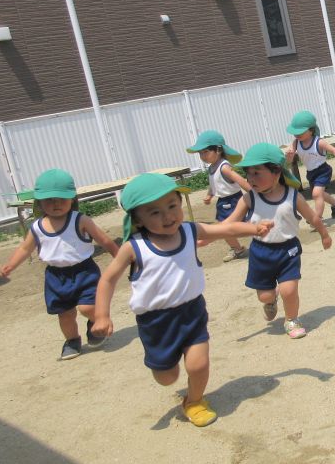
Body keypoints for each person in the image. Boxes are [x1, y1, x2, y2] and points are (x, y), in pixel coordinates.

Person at [91, 173, 273, 427]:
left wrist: (254, 228)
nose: (167, 216)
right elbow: (107, 280)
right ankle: (170, 374)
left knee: (198, 364)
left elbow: (225, 229)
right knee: (167, 377)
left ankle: (194, 401)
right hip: (156, 322)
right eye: (154, 212)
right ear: (137, 219)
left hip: (192, 312)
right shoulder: (134, 247)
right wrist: (101, 315)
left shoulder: (189, 231)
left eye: (172, 206)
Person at [0, 168, 119, 361]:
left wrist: (119, 256)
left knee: (87, 308)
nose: (55, 204)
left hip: (85, 272)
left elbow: (103, 239)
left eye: (61, 199)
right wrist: (11, 265)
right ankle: (72, 341)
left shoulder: (80, 220)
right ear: (39, 203)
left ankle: (97, 322)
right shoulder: (37, 227)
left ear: (72, 199)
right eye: (49, 200)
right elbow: (24, 248)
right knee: (64, 314)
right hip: (56, 277)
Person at [225, 142, 333, 340]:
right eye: (248, 173)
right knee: (265, 296)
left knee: (289, 290)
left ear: (276, 173)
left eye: (258, 172)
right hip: (260, 252)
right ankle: (270, 300)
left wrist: (324, 234)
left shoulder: (293, 196)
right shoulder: (249, 198)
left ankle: (291, 319)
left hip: (288, 250)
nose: (251, 178)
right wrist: (207, 235)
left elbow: (313, 217)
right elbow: (229, 223)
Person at [187, 130, 252, 262]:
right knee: (226, 228)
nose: (202, 156)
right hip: (222, 202)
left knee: (231, 227)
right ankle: (237, 249)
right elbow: (214, 184)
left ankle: (264, 240)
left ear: (218, 150)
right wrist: (209, 195)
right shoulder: (212, 167)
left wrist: (254, 192)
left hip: (234, 200)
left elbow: (239, 180)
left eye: (205, 152)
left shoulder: (224, 167)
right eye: (200, 153)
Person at [284, 110, 335, 223]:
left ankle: (317, 218)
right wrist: (289, 156)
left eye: (300, 132)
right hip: (311, 173)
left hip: (323, 171)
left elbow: (334, 151)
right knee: (319, 194)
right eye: (295, 132)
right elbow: (290, 160)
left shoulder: (319, 142)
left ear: (311, 130)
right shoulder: (296, 143)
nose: (297, 134)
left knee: (316, 194)